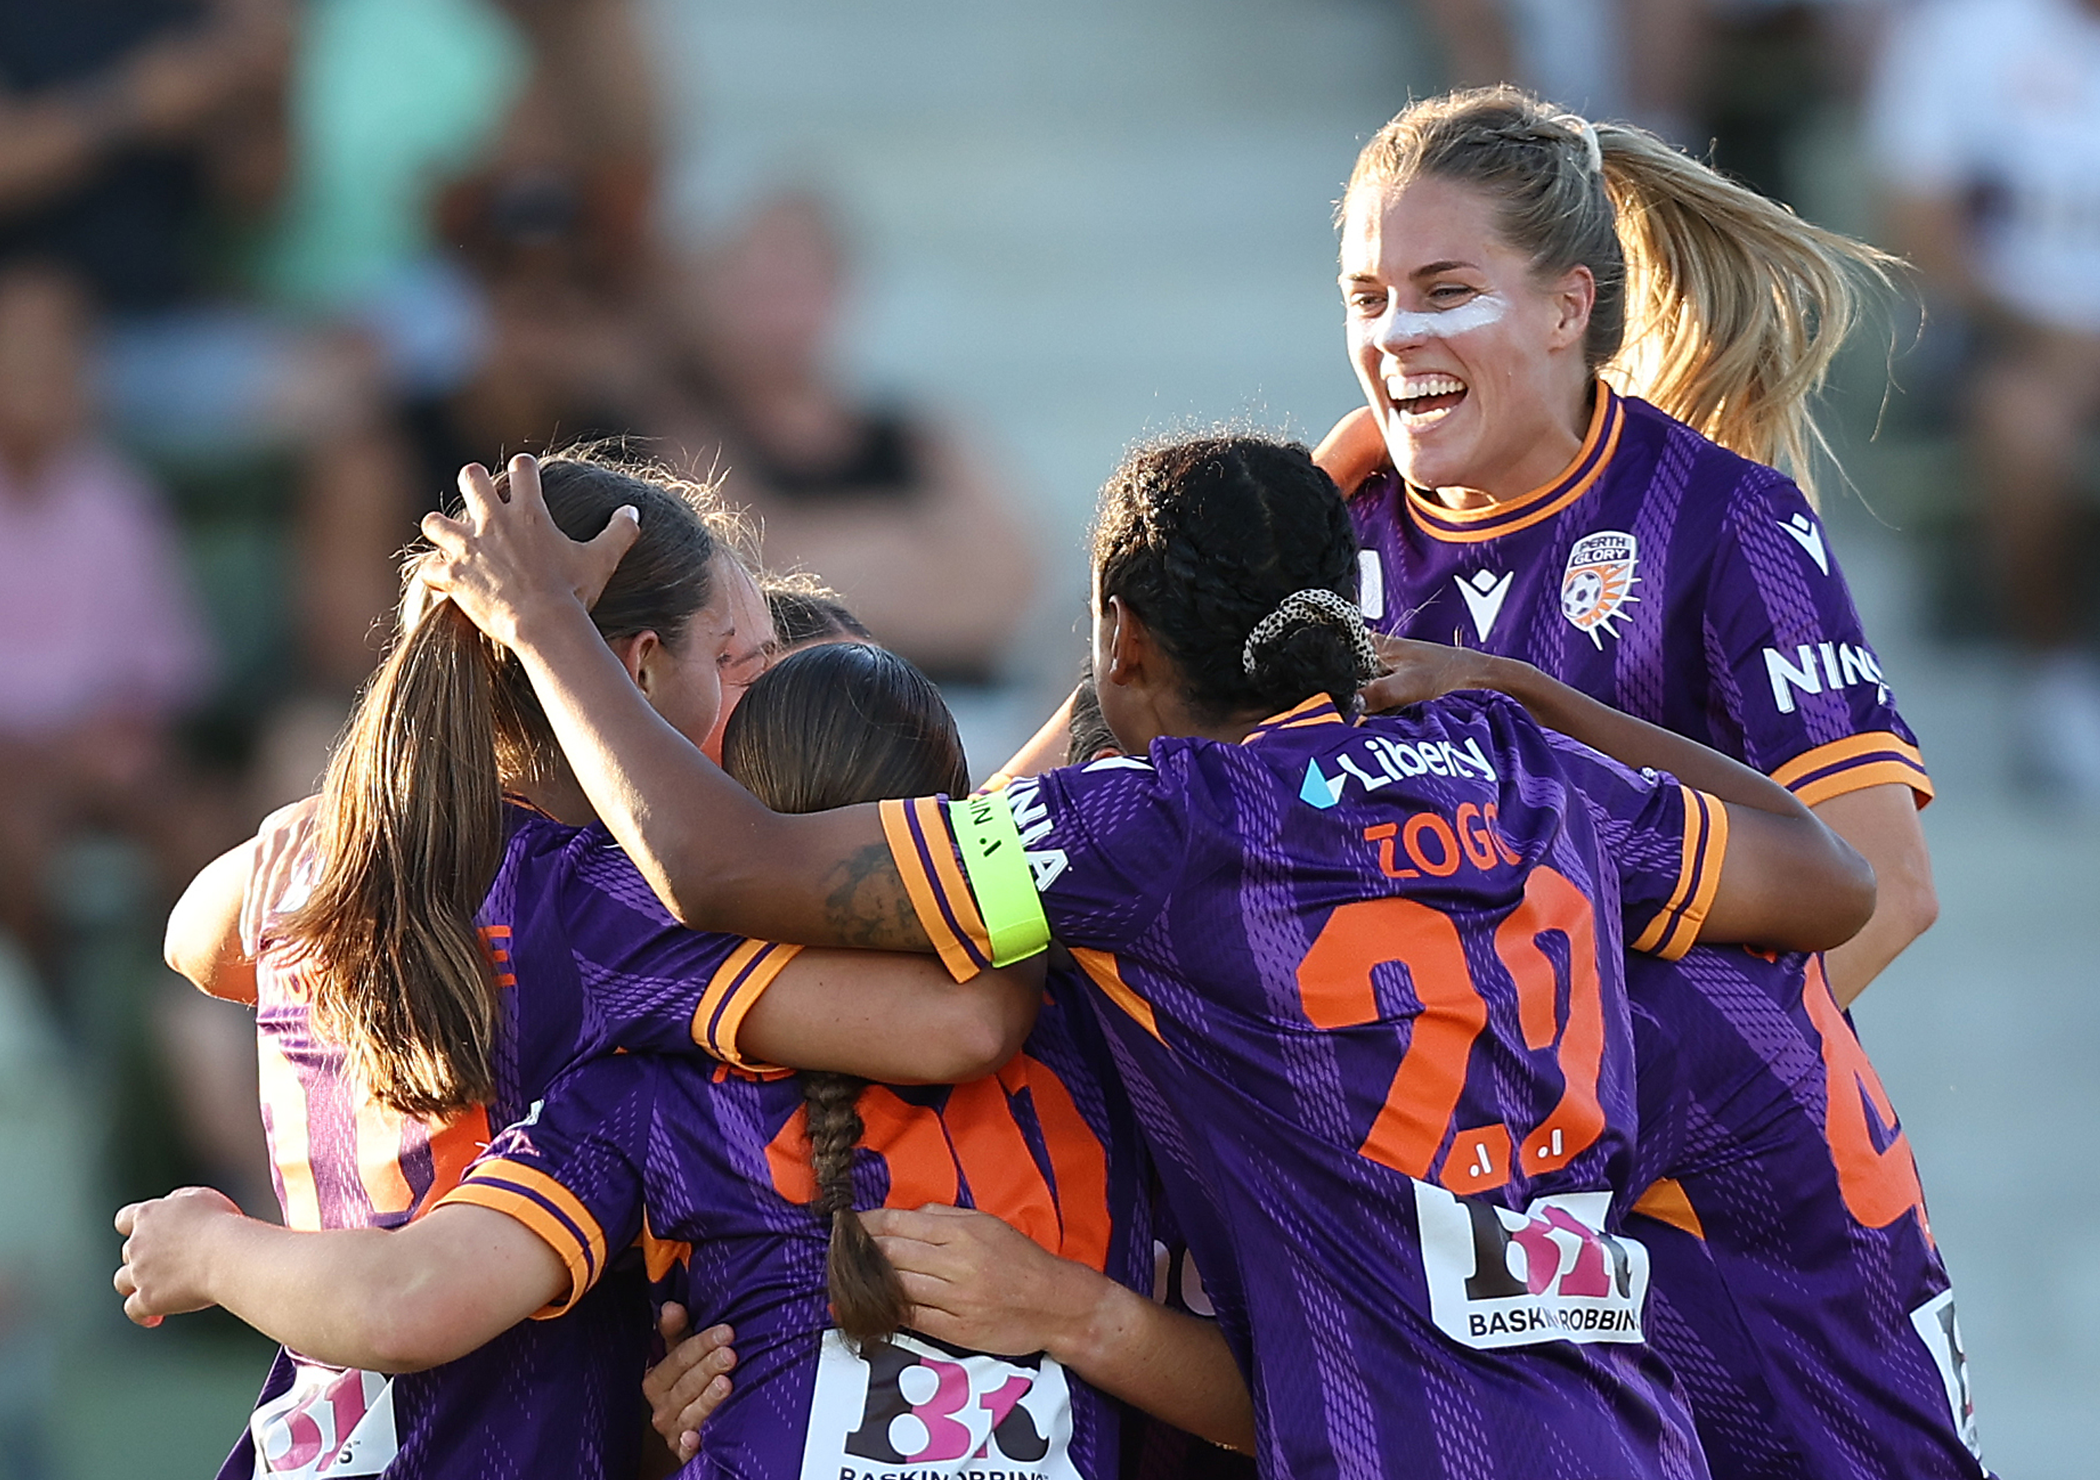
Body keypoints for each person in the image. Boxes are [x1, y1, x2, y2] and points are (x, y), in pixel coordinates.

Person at [406, 441, 1873, 1476]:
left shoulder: (1146, 835)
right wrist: (1522, 685)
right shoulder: (1519, 772)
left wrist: (542, 622)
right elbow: (1831, 876)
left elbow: (730, 866)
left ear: (1119, 638)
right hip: (1625, 1432)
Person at [121, 637, 1257, 1477]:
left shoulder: (1089, 1040)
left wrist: (1070, 1313)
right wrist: (657, 1421)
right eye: (731, 643)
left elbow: (1281, 1402)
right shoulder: (652, 1073)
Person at [1314, 89, 1983, 1476]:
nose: (1394, 339)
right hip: (1477, 1233)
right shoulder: (1332, 535)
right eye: (1367, 296)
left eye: (1445, 292)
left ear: (1568, 305)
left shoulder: (1722, 518)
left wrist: (1608, 1128)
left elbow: (1887, 884)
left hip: (1757, 1249)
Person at [144, 452, 1041, 1478]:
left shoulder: (312, 854)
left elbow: (195, 939)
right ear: (643, 666)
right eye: (742, 658)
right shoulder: (600, 902)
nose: (763, 692)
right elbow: (953, 1025)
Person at [653, 192, 1038, 683]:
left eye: (798, 286)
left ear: (842, 289)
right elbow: (736, 596)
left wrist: (828, 572)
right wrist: (907, 549)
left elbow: (1014, 582)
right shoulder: (692, 441)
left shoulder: (919, 436)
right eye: (760, 288)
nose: (781, 312)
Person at [1867, 0, 2100, 806]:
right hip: (2016, 333)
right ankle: (2055, 684)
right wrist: (2041, 330)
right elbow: (1921, 229)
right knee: (2025, 430)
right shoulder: (1969, 32)